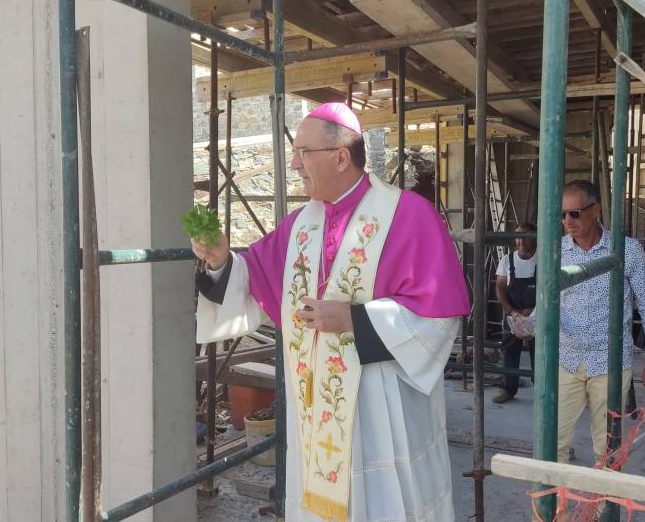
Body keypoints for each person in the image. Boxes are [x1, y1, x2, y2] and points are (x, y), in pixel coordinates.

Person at [192, 102, 470, 522]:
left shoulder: (409, 216)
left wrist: (354, 320)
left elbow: (438, 317)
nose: (294, 164)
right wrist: (219, 260)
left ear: (341, 157)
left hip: (382, 405)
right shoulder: (300, 226)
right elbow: (252, 278)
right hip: (314, 407)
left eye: (303, 152)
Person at [558, 179, 645, 464]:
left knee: (608, 448)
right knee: (552, 442)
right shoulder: (556, 251)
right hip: (566, 358)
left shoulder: (626, 250)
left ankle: (602, 496)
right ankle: (556, 496)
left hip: (610, 361)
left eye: (574, 213)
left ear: (595, 210)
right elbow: (548, 299)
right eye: (562, 214)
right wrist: (528, 323)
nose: (567, 221)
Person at [492, 223, 537, 404]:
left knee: (540, 352)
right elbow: (500, 289)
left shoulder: (543, 258)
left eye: (526, 237)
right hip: (513, 314)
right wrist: (512, 311)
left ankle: (542, 388)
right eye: (518, 237)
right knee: (510, 349)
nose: (521, 242)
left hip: (538, 313)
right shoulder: (506, 260)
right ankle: (508, 388)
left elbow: (550, 288)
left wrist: (533, 311)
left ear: (535, 237)